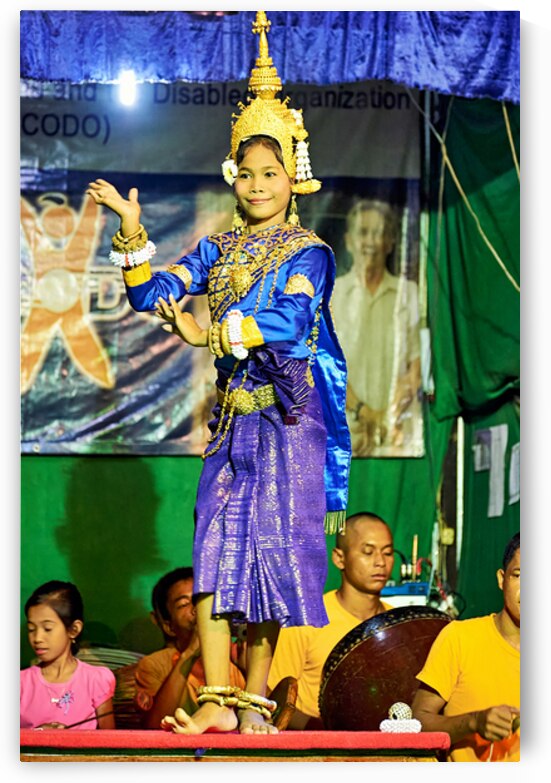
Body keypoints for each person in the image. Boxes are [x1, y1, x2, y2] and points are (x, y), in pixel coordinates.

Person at [85, 11, 350, 736]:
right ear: (233, 174)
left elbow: (291, 322)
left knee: (267, 561)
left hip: (287, 422)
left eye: (272, 172)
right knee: (211, 556)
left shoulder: (309, 252)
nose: (258, 184)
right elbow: (152, 294)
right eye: (248, 171)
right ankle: (214, 698)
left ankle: (254, 703)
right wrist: (132, 232)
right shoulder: (218, 248)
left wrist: (216, 331)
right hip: (232, 421)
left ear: (292, 177)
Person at [267, 512, 395, 729]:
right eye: (368, 552)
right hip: (317, 744)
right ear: (339, 558)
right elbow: (274, 695)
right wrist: (320, 729)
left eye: (388, 553)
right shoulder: (307, 619)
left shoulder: (397, 624)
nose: (380, 562)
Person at [412, 532, 520, 762]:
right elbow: (416, 723)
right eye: (519, 575)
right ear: (502, 579)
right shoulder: (460, 638)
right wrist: (473, 722)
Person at [331, 199, 422, 457]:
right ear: (349, 241)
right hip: (347, 436)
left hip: (397, 435)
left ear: (391, 242)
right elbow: (324, 366)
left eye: (379, 233)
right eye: (363, 232)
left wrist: (388, 415)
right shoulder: (331, 296)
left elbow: (417, 364)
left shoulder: (409, 294)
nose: (370, 241)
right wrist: (364, 412)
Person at [134, 567, 245, 729]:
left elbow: (271, 715)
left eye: (203, 601)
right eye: (184, 604)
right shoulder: (156, 664)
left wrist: (246, 669)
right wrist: (190, 654)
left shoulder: (232, 661)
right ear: (168, 626)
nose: (197, 609)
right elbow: (154, 726)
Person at [20, 580, 116, 730]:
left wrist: (68, 738)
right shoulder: (20, 683)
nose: (37, 638)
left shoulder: (95, 680)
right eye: (32, 629)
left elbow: (109, 739)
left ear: (73, 630)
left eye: (47, 628)